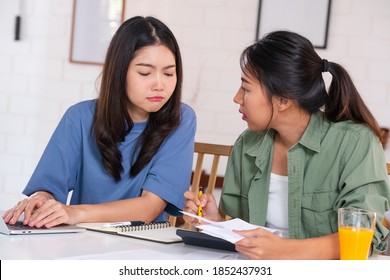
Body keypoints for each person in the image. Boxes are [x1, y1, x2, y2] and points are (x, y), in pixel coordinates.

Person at [184, 30, 390, 259]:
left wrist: (284, 251)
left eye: (246, 88)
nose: (237, 98)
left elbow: (363, 240)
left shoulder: (355, 142)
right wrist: (214, 223)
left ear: (283, 100)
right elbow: (243, 232)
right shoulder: (246, 144)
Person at [3, 16, 196, 228]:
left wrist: (75, 213)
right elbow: (48, 188)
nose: (160, 85)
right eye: (145, 73)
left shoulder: (181, 119)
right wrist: (41, 201)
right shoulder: (79, 117)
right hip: (82, 242)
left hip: (143, 245)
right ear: (119, 71)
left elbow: (150, 207)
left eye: (169, 73)